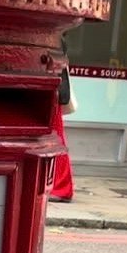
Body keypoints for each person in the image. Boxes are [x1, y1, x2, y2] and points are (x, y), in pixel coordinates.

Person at [49, 66, 76, 203]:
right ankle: (60, 186)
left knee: (55, 138)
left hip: (51, 87)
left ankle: (61, 187)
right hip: (49, 86)